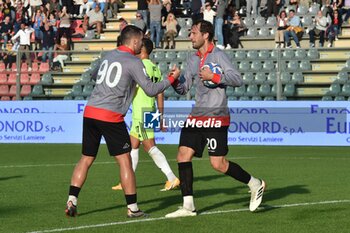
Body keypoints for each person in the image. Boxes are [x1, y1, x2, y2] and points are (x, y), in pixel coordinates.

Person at [65, 25, 180, 218]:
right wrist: (172, 77)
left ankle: (72, 199)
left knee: (86, 158)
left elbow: (94, 77)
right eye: (141, 40)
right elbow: (152, 90)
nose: (141, 43)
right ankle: (133, 208)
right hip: (112, 115)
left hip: (91, 111)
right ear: (135, 41)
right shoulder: (135, 62)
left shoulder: (107, 55)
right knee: (126, 160)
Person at [164, 20, 266, 218]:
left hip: (217, 116)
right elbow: (184, 88)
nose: (190, 36)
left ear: (205, 35)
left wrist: (214, 77)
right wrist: (175, 79)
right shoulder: (193, 58)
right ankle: (188, 206)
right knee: (182, 155)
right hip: (197, 115)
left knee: (218, 164)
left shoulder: (219, 55)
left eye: (193, 33)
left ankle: (255, 183)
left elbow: (237, 79)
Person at [112, 38, 180, 192]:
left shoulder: (140, 66)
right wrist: (161, 116)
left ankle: (171, 177)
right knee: (133, 146)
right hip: (150, 110)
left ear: (142, 49)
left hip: (142, 112)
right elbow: (160, 93)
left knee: (149, 146)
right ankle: (126, 181)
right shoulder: (155, 68)